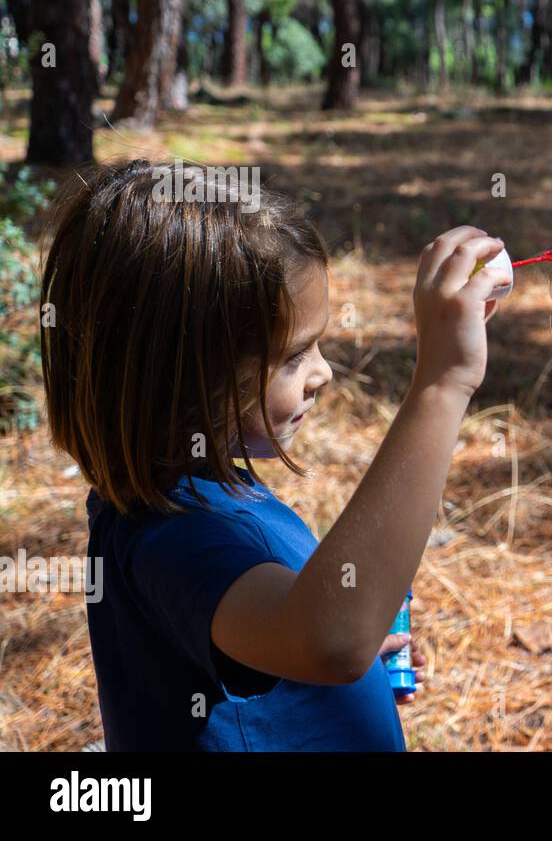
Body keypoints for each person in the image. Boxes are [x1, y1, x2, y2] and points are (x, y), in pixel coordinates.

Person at [40, 158, 510, 749]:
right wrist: (442, 384)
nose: (324, 373)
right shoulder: (174, 534)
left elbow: (310, 633)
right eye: (294, 355)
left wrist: (359, 642)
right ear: (179, 374)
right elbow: (326, 642)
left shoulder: (207, 492)